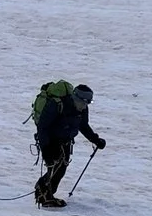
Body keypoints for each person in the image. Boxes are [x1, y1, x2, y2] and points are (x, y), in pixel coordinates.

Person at [31, 79, 106, 208]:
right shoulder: (57, 105)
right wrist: (46, 149)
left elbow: (83, 126)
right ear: (76, 98)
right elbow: (42, 127)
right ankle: (44, 195)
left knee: (61, 169)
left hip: (65, 140)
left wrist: (95, 140)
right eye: (84, 102)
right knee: (54, 167)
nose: (85, 106)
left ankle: (46, 193)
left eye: (88, 103)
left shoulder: (82, 109)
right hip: (51, 140)